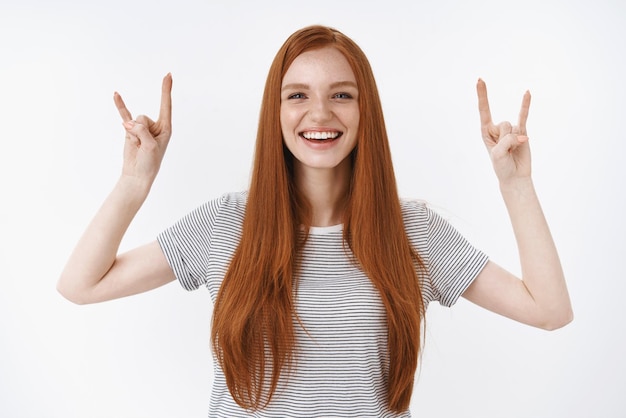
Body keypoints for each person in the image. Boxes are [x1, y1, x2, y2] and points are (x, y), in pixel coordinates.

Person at [57, 25, 573, 417]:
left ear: (364, 109)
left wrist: (516, 184)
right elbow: (81, 285)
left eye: (341, 94)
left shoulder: (410, 231)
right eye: (297, 94)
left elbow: (549, 310)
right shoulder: (224, 225)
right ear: (275, 112)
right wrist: (135, 182)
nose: (320, 113)